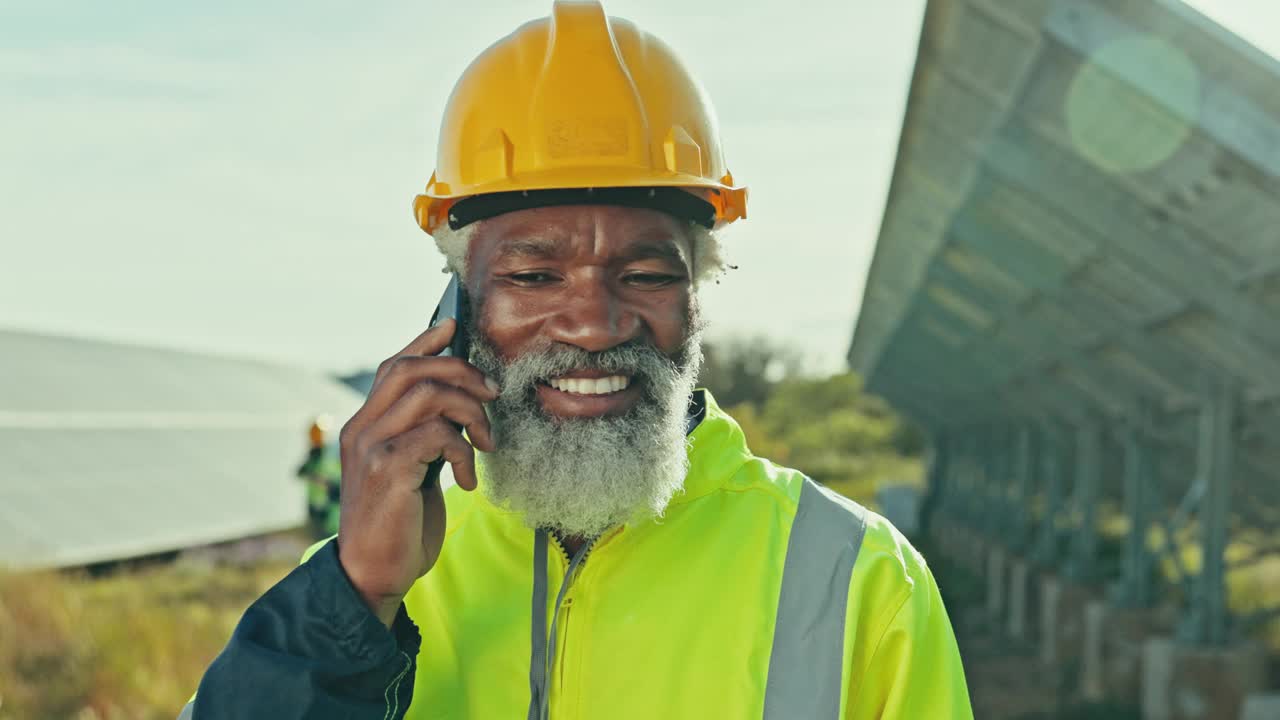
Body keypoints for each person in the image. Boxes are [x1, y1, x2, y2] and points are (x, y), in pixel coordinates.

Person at [181, 2, 973, 718]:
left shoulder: (859, 580)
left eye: (647, 274)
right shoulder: (357, 575)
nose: (594, 325)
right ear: (458, 307)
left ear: (698, 292)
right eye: (533, 276)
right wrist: (356, 601)